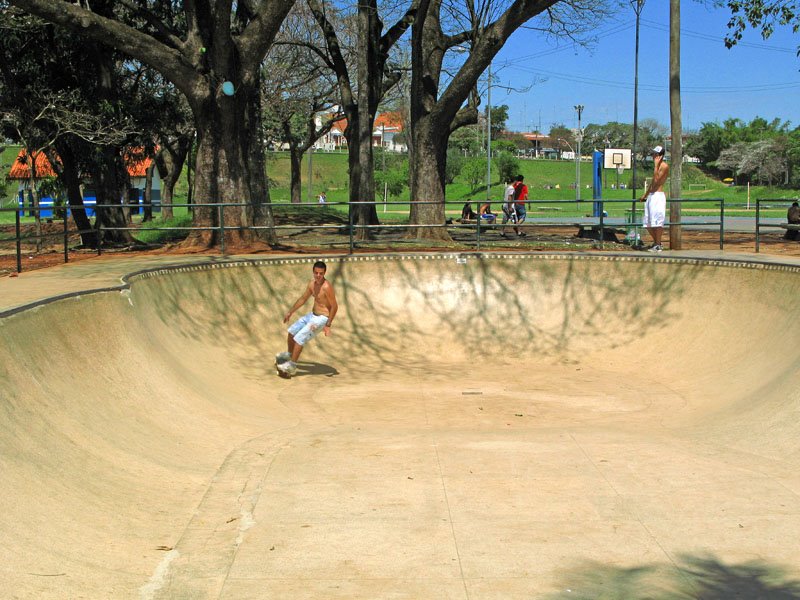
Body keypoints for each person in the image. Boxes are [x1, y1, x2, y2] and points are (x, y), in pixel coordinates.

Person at [276, 261, 338, 376]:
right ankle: (289, 357)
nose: (318, 276)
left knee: (299, 338)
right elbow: (303, 299)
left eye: (321, 273)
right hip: (312, 315)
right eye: (316, 273)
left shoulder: (327, 287)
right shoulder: (312, 284)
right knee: (291, 332)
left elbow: (335, 306)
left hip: (322, 318)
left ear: (324, 273)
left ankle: (292, 367)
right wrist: (290, 312)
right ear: (313, 272)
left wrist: (328, 325)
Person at [639, 145, 669, 252]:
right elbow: (652, 183)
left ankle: (657, 244)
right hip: (651, 196)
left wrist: (656, 166)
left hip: (658, 196)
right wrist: (645, 195)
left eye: (656, 154)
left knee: (657, 222)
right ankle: (657, 243)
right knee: (647, 223)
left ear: (660, 156)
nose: (653, 156)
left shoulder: (664, 166)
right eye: (653, 154)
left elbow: (657, 180)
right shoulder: (656, 167)